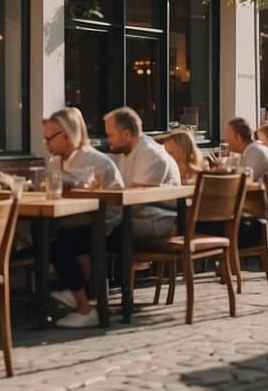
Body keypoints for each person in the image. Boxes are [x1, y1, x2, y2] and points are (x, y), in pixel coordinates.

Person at [45, 107, 124, 328]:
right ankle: (75, 291)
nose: (45, 143)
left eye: (49, 138)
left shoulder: (97, 161)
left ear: (67, 136)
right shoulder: (53, 163)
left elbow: (112, 203)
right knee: (44, 241)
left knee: (62, 245)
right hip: (68, 221)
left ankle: (84, 306)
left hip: (102, 223)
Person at [105, 106, 180, 238]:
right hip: (137, 217)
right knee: (84, 231)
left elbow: (135, 201)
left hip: (162, 221)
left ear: (126, 135)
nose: (108, 141)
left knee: (99, 231)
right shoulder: (126, 153)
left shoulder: (151, 154)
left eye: (110, 135)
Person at [223, 117, 268, 245]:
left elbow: (241, 183)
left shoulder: (254, 150)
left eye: (228, 136)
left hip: (264, 221)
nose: (226, 141)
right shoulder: (252, 150)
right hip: (260, 215)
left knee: (214, 223)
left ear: (239, 137)